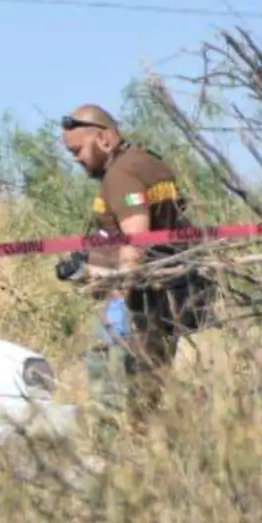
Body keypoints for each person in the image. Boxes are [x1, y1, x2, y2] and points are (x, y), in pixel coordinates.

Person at [58, 103, 206, 416]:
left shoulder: (121, 175)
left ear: (106, 139)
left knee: (126, 392)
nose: (76, 160)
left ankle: (124, 450)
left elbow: (136, 240)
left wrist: (118, 302)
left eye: (78, 150)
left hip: (144, 297)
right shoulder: (148, 162)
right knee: (150, 383)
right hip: (172, 289)